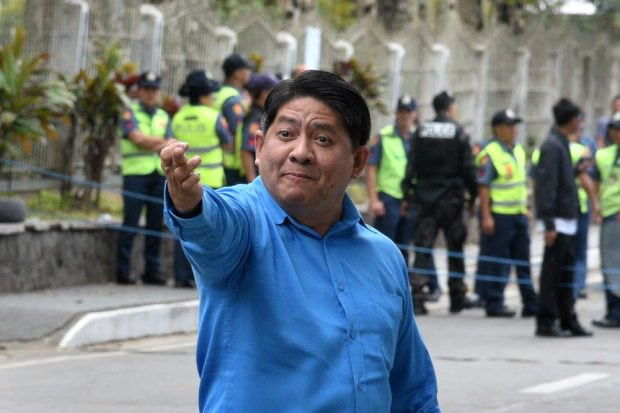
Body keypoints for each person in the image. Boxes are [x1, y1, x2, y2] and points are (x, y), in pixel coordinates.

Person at [162, 70, 440, 412]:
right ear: (260, 147)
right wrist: (189, 203)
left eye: (322, 139)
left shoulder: (384, 256)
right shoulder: (244, 223)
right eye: (286, 134)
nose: (301, 152)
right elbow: (211, 228)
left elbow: (412, 392)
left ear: (357, 162)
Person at [402, 90, 478, 315]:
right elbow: (468, 168)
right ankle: (457, 295)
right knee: (455, 247)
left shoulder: (421, 130)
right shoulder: (458, 131)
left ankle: (417, 296)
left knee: (423, 248)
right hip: (452, 200)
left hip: (425, 199)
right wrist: (472, 197)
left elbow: (411, 165)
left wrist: (407, 195)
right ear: (451, 107)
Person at [366, 95, 440, 300]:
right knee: (384, 246)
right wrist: (374, 200)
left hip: (412, 199)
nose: (405, 116)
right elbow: (371, 169)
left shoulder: (420, 138)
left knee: (405, 247)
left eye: (409, 112)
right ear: (396, 113)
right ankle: (380, 288)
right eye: (401, 112)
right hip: (389, 198)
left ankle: (400, 289)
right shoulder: (384, 137)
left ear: (415, 114)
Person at [534, 98, 594, 338]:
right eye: (578, 119)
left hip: (567, 219)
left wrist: (576, 171)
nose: (580, 123)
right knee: (552, 274)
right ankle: (547, 320)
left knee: (566, 273)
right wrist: (549, 223)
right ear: (571, 121)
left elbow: (560, 179)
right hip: (557, 221)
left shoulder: (561, 144)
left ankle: (567, 317)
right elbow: (546, 187)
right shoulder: (552, 146)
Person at [170, 70, 233, 288]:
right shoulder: (214, 116)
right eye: (210, 95)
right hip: (212, 181)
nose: (213, 98)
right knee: (211, 230)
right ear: (204, 96)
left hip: (185, 180)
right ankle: (206, 278)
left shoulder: (178, 117)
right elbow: (228, 143)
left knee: (184, 227)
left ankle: (181, 275)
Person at [475, 109, 538, 318]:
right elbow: (483, 187)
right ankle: (494, 302)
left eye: (514, 126)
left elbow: (521, 183)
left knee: (523, 260)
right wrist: (486, 216)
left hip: (518, 214)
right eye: (508, 126)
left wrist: (526, 208)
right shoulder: (490, 153)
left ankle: (530, 302)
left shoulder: (518, 150)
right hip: (499, 215)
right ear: (497, 129)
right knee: (498, 261)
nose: (513, 130)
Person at [116, 71, 172, 285]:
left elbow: (169, 142)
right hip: (135, 174)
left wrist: (152, 142)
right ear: (139, 91)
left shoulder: (163, 116)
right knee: (130, 223)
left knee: (155, 224)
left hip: (158, 174)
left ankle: (152, 271)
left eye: (154, 90)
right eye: (147, 89)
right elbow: (136, 138)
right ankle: (123, 271)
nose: (150, 94)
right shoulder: (129, 112)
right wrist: (161, 143)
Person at [592, 112, 620, 328]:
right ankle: (613, 311)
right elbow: (594, 180)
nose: (616, 133)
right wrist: (595, 204)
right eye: (614, 129)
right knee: (610, 263)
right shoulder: (603, 155)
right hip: (610, 215)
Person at [210, 53, 254, 185]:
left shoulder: (217, 93)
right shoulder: (233, 98)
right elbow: (236, 128)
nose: (249, 73)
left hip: (218, 158)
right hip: (230, 164)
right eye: (247, 69)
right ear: (238, 73)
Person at [240, 72, 280, 182]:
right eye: (273, 91)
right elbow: (246, 151)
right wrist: (252, 182)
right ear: (264, 93)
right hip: (253, 178)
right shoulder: (255, 117)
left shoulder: (262, 113)